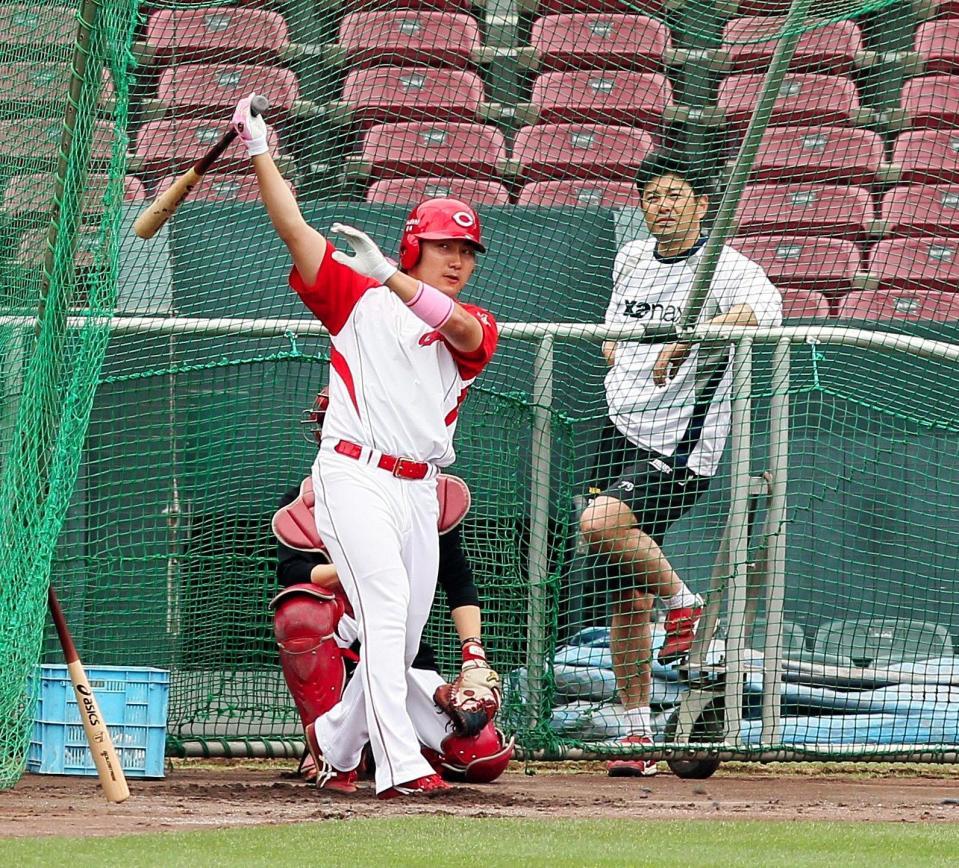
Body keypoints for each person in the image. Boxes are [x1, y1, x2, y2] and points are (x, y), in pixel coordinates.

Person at [232, 94, 499, 799]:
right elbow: (291, 228)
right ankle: (404, 771)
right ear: (416, 243)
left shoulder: (466, 319)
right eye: (445, 247)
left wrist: (391, 274)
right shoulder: (354, 296)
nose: (458, 261)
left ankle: (336, 742)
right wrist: (258, 148)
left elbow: (466, 337)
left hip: (418, 489)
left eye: (466, 252)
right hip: (353, 476)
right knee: (381, 611)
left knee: (402, 639)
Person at [578, 152, 783, 776]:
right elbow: (619, 324)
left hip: (678, 444)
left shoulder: (724, 266)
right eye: (652, 196)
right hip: (618, 428)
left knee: (600, 524)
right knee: (625, 598)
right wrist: (616, 346)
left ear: (701, 205)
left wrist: (694, 335)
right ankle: (638, 733)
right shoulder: (633, 259)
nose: (662, 205)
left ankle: (687, 604)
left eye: (674, 194)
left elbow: (763, 314)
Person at [271, 392, 512, 787]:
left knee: (482, 758)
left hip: (405, 660)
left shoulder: (421, 491)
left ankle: (339, 740)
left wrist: (473, 653)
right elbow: (295, 573)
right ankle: (335, 739)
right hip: (341, 642)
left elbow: (458, 580)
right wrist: (369, 562)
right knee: (300, 611)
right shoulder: (309, 498)